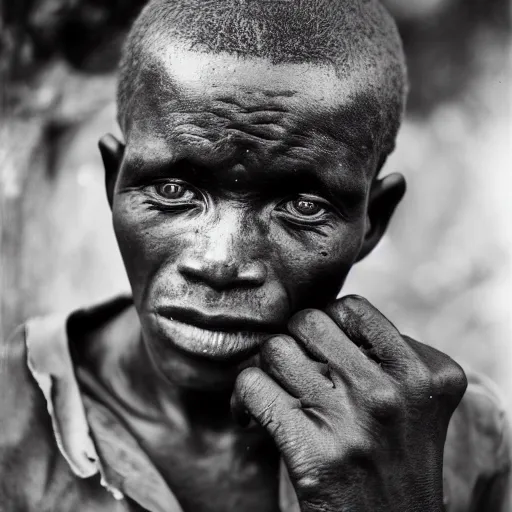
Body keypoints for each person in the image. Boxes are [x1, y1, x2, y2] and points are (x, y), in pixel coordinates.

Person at [1, 0, 510, 511]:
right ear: (116, 183)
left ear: (372, 220)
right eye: (175, 191)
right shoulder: (9, 420)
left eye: (303, 206)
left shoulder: (462, 444)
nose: (221, 262)